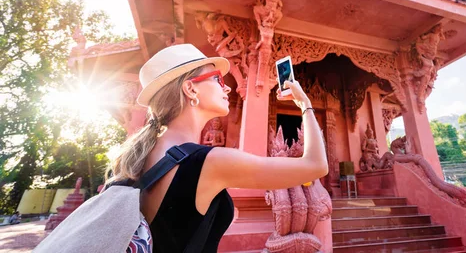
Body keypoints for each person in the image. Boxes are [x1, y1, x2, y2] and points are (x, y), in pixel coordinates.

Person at [105, 44, 327, 252]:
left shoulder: (139, 157)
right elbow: (316, 166)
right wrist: (304, 104)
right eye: (218, 80)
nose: (227, 87)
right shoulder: (209, 162)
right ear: (190, 89)